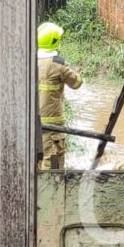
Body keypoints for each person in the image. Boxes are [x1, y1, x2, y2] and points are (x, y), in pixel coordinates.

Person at [37, 22, 83, 170]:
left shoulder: (29, 61)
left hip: (32, 123)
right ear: (55, 42)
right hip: (53, 125)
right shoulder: (59, 65)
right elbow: (77, 83)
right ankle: (50, 193)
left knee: (36, 159)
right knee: (52, 162)